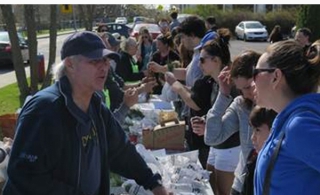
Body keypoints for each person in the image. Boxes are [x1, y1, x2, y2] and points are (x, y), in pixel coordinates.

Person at [2, 31, 169, 195]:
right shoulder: (44, 110)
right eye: (95, 61)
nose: (104, 66)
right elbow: (25, 176)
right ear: (70, 64)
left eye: (105, 60)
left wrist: (153, 183)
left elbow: (120, 150)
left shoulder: (95, 106)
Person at [167, 29, 241, 195]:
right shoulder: (214, 82)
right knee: (211, 189)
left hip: (229, 147)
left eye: (202, 59)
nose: (198, 64)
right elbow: (216, 111)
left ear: (216, 60)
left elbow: (233, 119)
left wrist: (207, 125)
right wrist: (204, 120)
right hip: (216, 145)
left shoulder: (230, 84)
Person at [254, 39, 320, 194]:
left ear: (275, 77)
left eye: (256, 73)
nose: (252, 81)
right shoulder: (289, 121)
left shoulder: (299, 126)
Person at [204, 50, 261, 195]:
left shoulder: (278, 105)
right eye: (241, 89)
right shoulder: (241, 104)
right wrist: (223, 95)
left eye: (248, 87)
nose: (246, 94)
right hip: (242, 182)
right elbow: (212, 138)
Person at [241, 106, 277, 195]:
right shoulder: (253, 156)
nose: (252, 137)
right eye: (253, 130)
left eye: (257, 130)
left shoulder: (278, 164)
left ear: (273, 130)